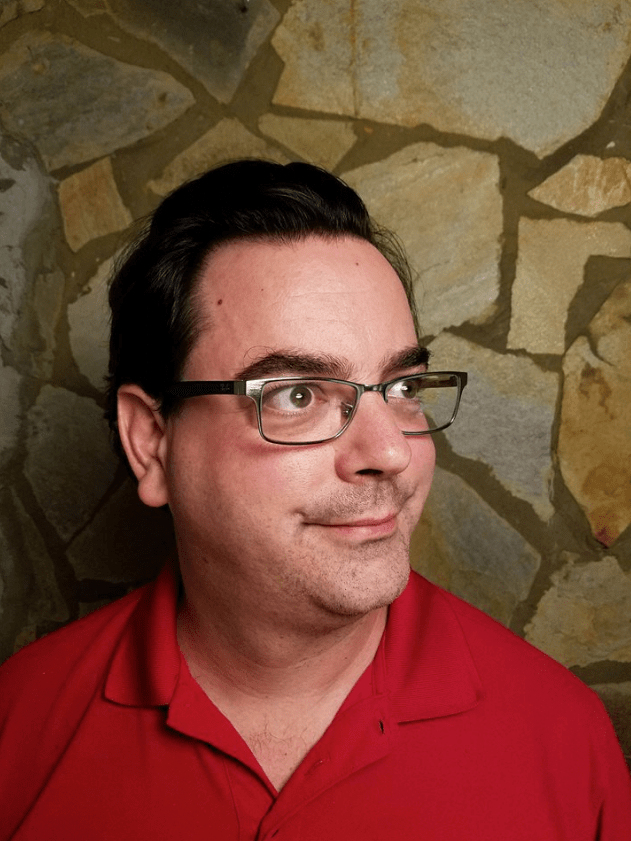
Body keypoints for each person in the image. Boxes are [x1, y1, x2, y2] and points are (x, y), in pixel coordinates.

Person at [0, 160, 629, 840]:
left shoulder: (563, 739)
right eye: (297, 395)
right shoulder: (18, 733)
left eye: (402, 389)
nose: (390, 452)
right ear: (152, 442)